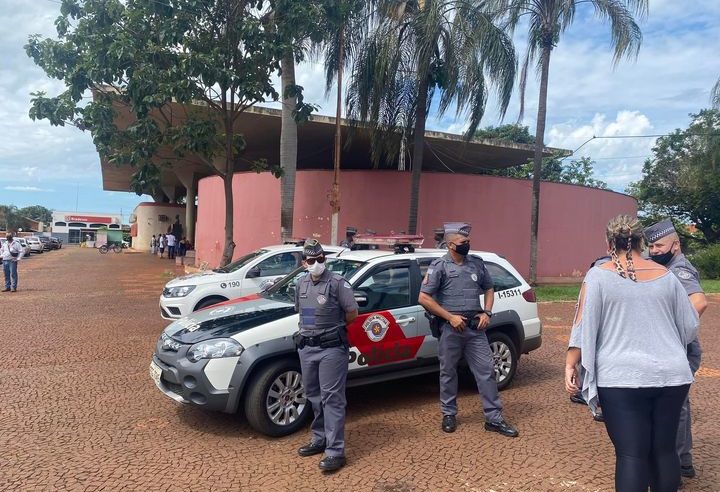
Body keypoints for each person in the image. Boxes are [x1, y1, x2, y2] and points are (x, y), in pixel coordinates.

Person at [565, 215, 699, 492]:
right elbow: (688, 328)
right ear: (642, 242)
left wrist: (571, 363)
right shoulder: (667, 276)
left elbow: (583, 324)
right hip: (672, 375)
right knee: (664, 451)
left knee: (631, 455)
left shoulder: (598, 276)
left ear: (607, 242)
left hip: (621, 378)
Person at [419, 222, 518, 437]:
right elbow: (424, 297)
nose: (468, 245)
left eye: (468, 241)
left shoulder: (476, 264)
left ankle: (494, 418)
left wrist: (487, 313)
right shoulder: (439, 266)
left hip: (475, 330)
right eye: (464, 242)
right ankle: (449, 414)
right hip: (450, 329)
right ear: (451, 244)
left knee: (486, 372)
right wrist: (450, 317)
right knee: (448, 373)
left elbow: (490, 288)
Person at [645, 218, 708, 480]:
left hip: (679, 349)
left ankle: (672, 469)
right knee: (680, 405)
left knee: (673, 408)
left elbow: (700, 302)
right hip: (679, 349)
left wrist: (670, 333)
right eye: (651, 246)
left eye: (659, 245)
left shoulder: (679, 269)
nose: (654, 250)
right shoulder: (666, 267)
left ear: (676, 244)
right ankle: (683, 461)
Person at [294, 239, 358, 472]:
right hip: (308, 348)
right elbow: (307, 315)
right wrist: (312, 333)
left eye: (321, 259)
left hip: (331, 349)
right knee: (313, 395)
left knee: (332, 399)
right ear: (304, 263)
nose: (317, 263)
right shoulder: (301, 285)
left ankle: (335, 451)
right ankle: (319, 439)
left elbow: (351, 313)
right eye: (312, 260)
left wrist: (331, 329)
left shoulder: (338, 283)